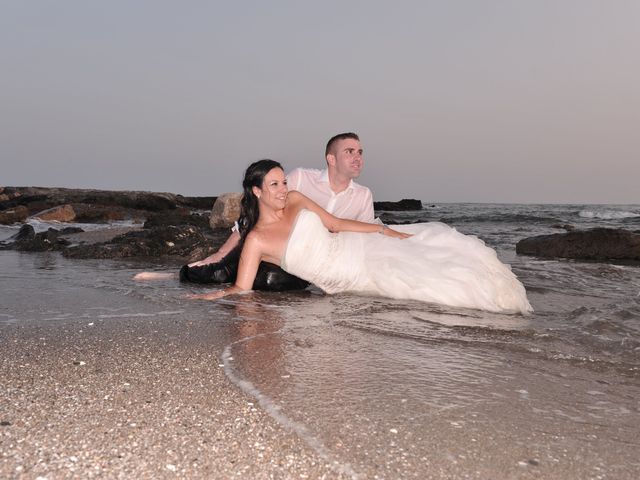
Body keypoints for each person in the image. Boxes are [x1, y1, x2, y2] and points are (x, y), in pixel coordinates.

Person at [188, 159, 533, 315]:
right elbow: (242, 290)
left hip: (357, 247)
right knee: (436, 293)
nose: (284, 189)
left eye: (284, 181)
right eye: (275, 184)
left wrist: (384, 230)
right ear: (257, 191)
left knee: (437, 256)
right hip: (345, 277)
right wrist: (201, 299)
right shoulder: (257, 240)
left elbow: (336, 223)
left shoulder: (295, 200)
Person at [144, 132, 375, 291]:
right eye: (350, 151)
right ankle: (176, 276)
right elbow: (255, 211)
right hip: (268, 241)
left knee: (268, 281)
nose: (358, 158)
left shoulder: (363, 195)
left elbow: (364, 239)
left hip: (299, 260)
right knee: (220, 272)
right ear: (331, 159)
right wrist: (222, 252)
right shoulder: (301, 178)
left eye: (360, 152)